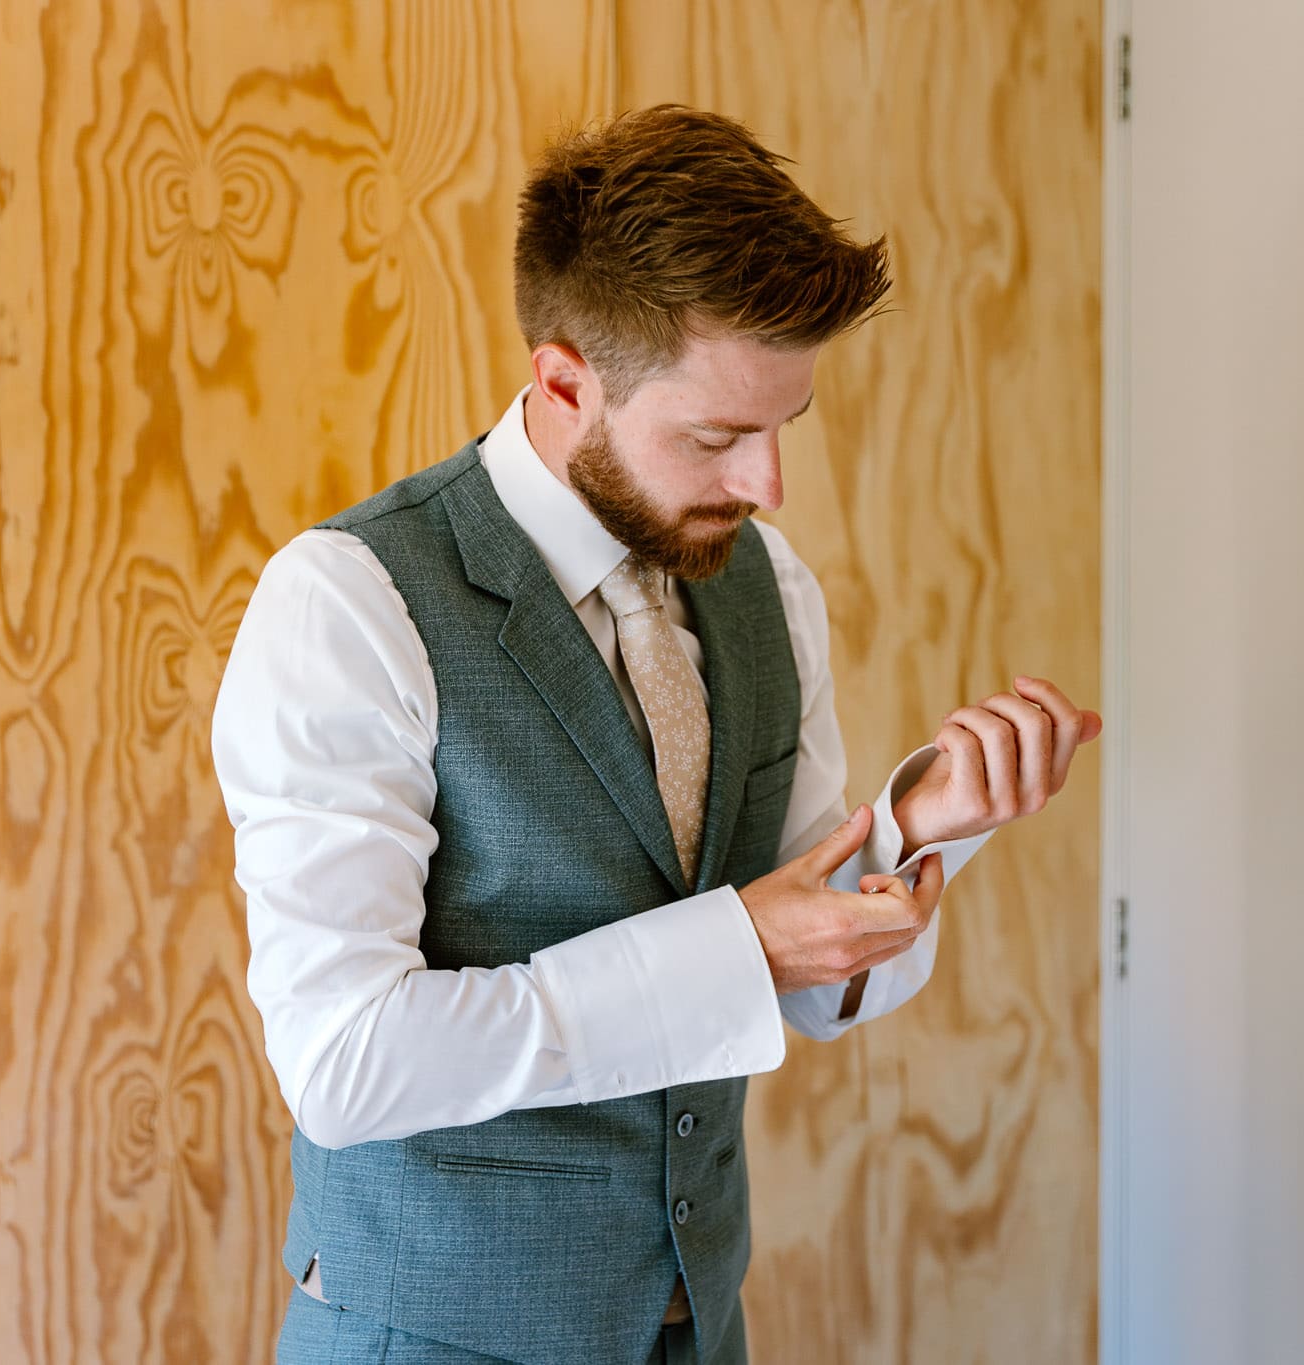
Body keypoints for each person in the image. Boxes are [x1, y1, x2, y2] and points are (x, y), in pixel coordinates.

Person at [212, 104, 1102, 1365]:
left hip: (697, 1330)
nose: (767, 485)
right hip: (432, 1339)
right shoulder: (349, 604)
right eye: (717, 436)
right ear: (563, 380)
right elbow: (345, 1062)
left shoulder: (768, 587)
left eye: (784, 424)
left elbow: (814, 987)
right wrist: (734, 943)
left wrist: (925, 829)